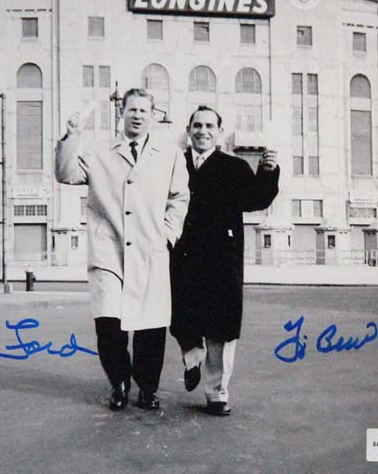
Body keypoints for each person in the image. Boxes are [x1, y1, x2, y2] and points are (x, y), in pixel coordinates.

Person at [55, 88, 189, 411]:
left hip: (149, 249)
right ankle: (119, 381)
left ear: (153, 116)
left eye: (145, 110)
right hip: (108, 251)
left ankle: (147, 388)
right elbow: (66, 174)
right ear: (122, 113)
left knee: (150, 326)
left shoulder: (169, 153)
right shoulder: (99, 151)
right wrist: (71, 137)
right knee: (108, 324)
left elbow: (179, 198)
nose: (138, 115)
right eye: (132, 110)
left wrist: (168, 235)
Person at [170, 106, 279, 416]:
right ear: (188, 129)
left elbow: (256, 200)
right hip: (183, 255)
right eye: (197, 125)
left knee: (221, 327)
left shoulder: (234, 167)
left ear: (218, 132)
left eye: (209, 126)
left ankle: (217, 392)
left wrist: (267, 172)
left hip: (221, 258)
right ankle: (192, 357)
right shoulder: (174, 164)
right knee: (181, 315)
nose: (203, 131)